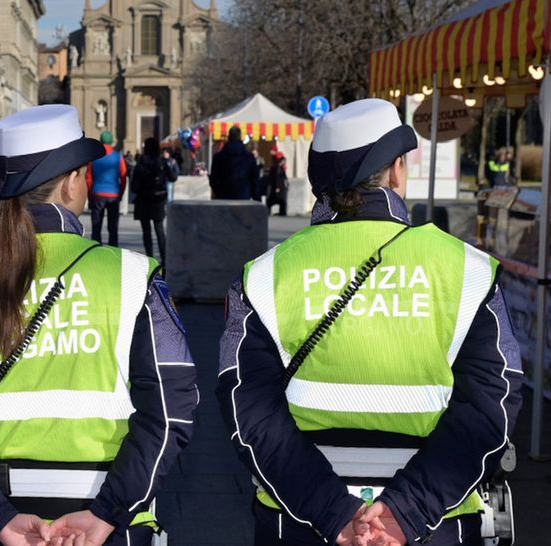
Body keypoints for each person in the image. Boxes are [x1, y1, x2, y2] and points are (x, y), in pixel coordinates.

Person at [217, 98, 523, 546]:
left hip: (299, 524)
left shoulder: (262, 276)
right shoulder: (469, 271)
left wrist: (334, 511)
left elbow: (249, 413)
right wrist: (406, 511)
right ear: (396, 171)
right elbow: (492, 406)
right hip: (435, 525)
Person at [0, 104, 198, 546]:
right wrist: (108, 512)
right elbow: (173, 409)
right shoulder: (134, 278)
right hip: (107, 519)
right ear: (72, 182)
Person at [132, 137, 174, 265]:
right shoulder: (161, 162)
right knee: (159, 230)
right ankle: (164, 258)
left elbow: (134, 186)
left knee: (146, 231)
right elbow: (173, 177)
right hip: (158, 200)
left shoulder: (140, 163)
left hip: (143, 199)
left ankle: (150, 259)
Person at [85, 130, 127, 246]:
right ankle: (113, 251)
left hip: (97, 193)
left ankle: (96, 251)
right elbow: (123, 177)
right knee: (113, 228)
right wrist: (120, 193)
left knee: (96, 227)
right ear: (112, 142)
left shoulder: (94, 157)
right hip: (113, 194)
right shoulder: (118, 157)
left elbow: (88, 178)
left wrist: (90, 194)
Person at [209, 126, 259, 200]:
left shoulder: (218, 157)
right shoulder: (249, 158)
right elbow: (255, 180)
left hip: (223, 197)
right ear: (240, 137)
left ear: (229, 137)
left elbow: (213, 179)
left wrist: (218, 192)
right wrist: (256, 197)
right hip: (243, 198)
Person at [262, 146, 288, 216]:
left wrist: (277, 186)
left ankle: (281, 212)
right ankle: (282, 212)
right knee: (279, 199)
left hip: (278, 182)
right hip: (280, 182)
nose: (270, 152)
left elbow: (277, 173)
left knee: (273, 198)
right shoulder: (277, 157)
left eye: (271, 150)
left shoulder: (278, 157)